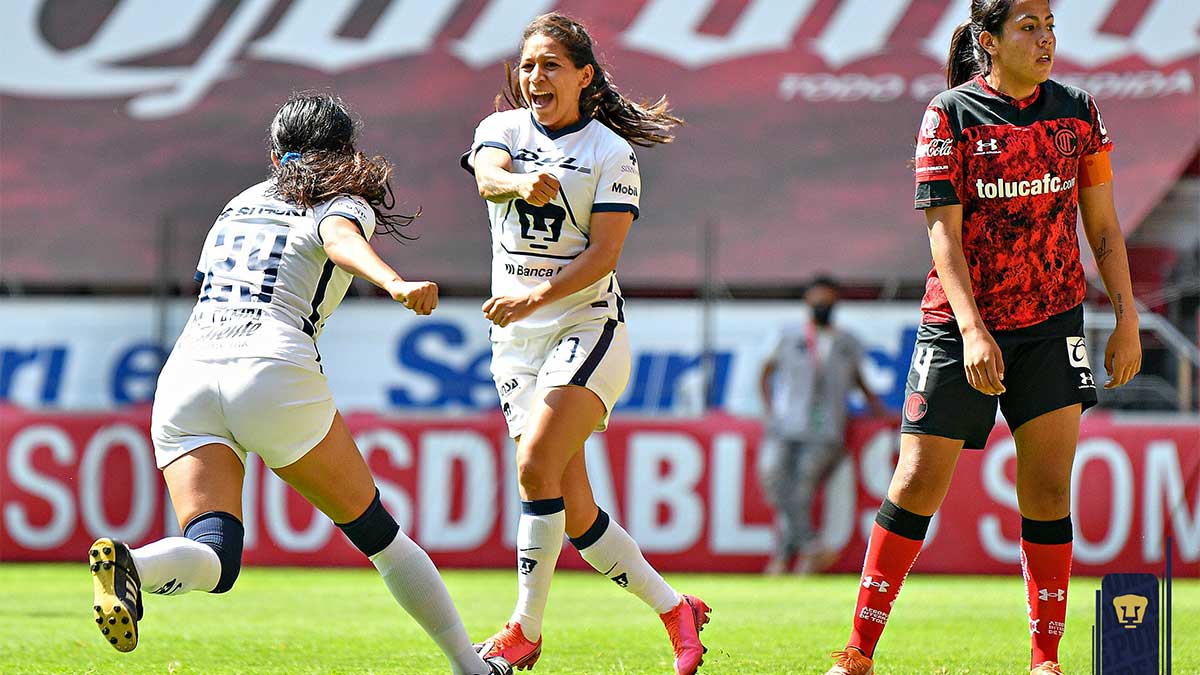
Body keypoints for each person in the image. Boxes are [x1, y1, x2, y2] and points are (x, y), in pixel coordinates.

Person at [88, 92, 512, 675]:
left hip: (186, 372)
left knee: (217, 555)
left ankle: (135, 563)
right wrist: (393, 283)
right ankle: (472, 667)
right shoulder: (342, 200)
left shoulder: (239, 203)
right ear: (345, 152)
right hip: (269, 365)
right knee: (378, 536)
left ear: (274, 152)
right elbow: (339, 239)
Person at [823, 2, 1142, 674]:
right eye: (1028, 25)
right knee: (914, 483)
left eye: (1050, 23)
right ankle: (858, 651)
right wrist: (971, 331)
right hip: (957, 327)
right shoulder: (951, 113)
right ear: (986, 39)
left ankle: (1044, 657)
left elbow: (1105, 227)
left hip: (1055, 322)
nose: (1046, 36)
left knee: (1050, 490)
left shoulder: (1078, 110)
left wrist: (1126, 316)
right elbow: (942, 233)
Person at [459, 13, 710, 675]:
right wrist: (517, 183)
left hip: (587, 329)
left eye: (550, 66)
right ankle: (674, 608)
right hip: (515, 341)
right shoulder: (500, 131)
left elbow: (604, 255)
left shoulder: (608, 152)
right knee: (575, 511)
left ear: (583, 77)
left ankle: (524, 631)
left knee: (535, 465)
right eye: (528, 65)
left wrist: (533, 298)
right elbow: (489, 175)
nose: (534, 76)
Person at [758, 275, 885, 575]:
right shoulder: (788, 337)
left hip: (826, 427)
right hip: (786, 422)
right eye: (817, 302)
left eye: (827, 302)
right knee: (773, 478)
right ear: (807, 303)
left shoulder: (847, 342)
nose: (822, 308)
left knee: (801, 487)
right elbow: (765, 371)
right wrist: (769, 409)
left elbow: (857, 379)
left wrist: (876, 408)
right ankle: (810, 548)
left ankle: (785, 556)